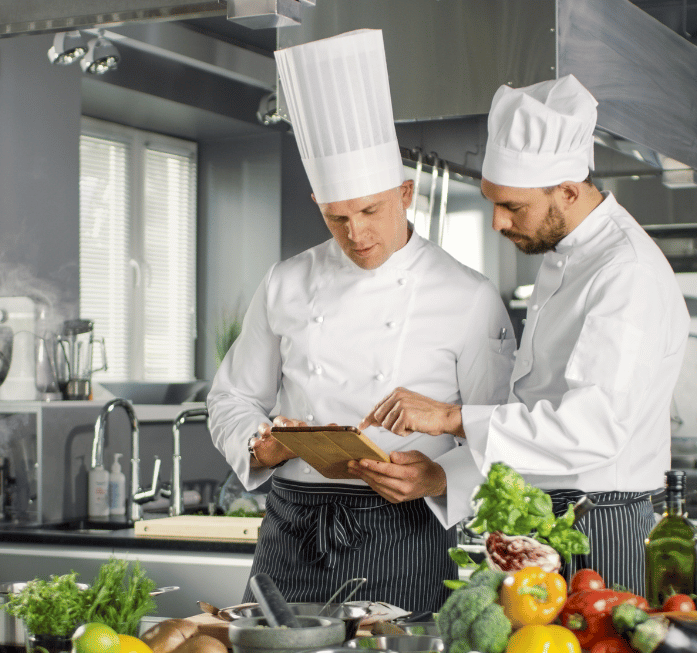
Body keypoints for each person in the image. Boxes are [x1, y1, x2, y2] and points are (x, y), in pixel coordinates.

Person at [207, 29, 515, 614]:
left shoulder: (467, 297)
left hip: (406, 532)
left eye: (370, 210)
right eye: (336, 218)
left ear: (406, 192)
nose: (357, 234)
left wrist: (439, 479)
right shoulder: (286, 282)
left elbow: (500, 430)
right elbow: (230, 397)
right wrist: (260, 445)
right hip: (292, 528)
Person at [356, 75, 691, 595]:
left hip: (597, 524)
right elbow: (534, 404)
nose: (496, 222)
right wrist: (447, 472)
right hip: (549, 513)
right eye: (493, 202)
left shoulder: (626, 271)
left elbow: (593, 428)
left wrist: (450, 417)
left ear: (568, 191)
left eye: (513, 207)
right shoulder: (566, 255)